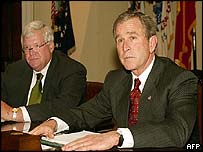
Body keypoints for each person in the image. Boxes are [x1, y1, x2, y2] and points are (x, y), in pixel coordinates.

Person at [29, 11, 198, 150]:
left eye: (132, 37)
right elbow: (87, 112)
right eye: (120, 40)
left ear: (152, 43)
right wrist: (54, 123)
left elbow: (178, 131)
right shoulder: (116, 80)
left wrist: (118, 136)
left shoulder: (179, 79)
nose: (125, 47)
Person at [1, 20, 87, 123]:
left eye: (37, 46)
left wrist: (15, 114)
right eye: (27, 48)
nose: (31, 53)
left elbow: (62, 107)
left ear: (50, 46)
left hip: (54, 134)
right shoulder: (14, 70)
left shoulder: (72, 71)